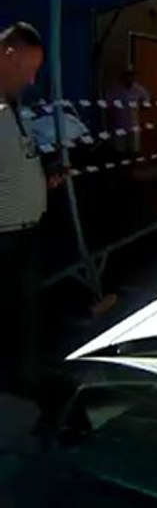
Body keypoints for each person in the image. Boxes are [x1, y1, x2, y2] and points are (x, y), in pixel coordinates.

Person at [0, 22, 63, 395]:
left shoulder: (12, 107)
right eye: (29, 67)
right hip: (4, 239)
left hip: (25, 234)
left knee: (25, 317)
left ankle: (25, 382)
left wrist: (43, 178)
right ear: (9, 55)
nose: (33, 77)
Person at [106, 66, 150, 155]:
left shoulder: (139, 89)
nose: (129, 78)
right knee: (119, 150)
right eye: (126, 75)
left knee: (134, 150)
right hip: (119, 124)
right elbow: (108, 105)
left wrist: (138, 109)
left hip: (133, 124)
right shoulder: (115, 89)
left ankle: (132, 168)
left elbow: (146, 103)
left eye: (131, 75)